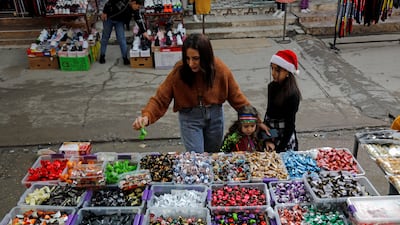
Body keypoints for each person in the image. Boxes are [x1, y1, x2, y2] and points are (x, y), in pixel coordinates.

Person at [132, 33, 252, 153]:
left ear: (205, 57)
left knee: (214, 156)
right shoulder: (179, 72)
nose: (190, 64)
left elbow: (236, 97)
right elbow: (160, 98)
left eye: (196, 58)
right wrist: (146, 116)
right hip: (190, 119)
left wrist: (255, 119)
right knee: (197, 158)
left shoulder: (220, 69)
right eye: (187, 58)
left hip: (215, 117)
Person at [263, 49, 302, 153]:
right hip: (271, 134)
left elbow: (290, 125)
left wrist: (279, 149)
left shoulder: (293, 95)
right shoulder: (271, 87)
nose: (273, 73)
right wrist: (267, 139)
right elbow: (268, 115)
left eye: (277, 70)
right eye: (272, 69)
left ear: (287, 72)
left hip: (285, 139)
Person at [99, 0, 149, 65]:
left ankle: (125, 58)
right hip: (108, 19)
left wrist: (144, 32)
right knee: (105, 37)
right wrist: (104, 12)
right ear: (134, 3)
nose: (138, 8)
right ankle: (102, 56)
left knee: (121, 39)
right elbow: (109, 2)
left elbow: (139, 19)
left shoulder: (135, 10)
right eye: (138, 6)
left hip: (119, 22)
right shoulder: (124, 1)